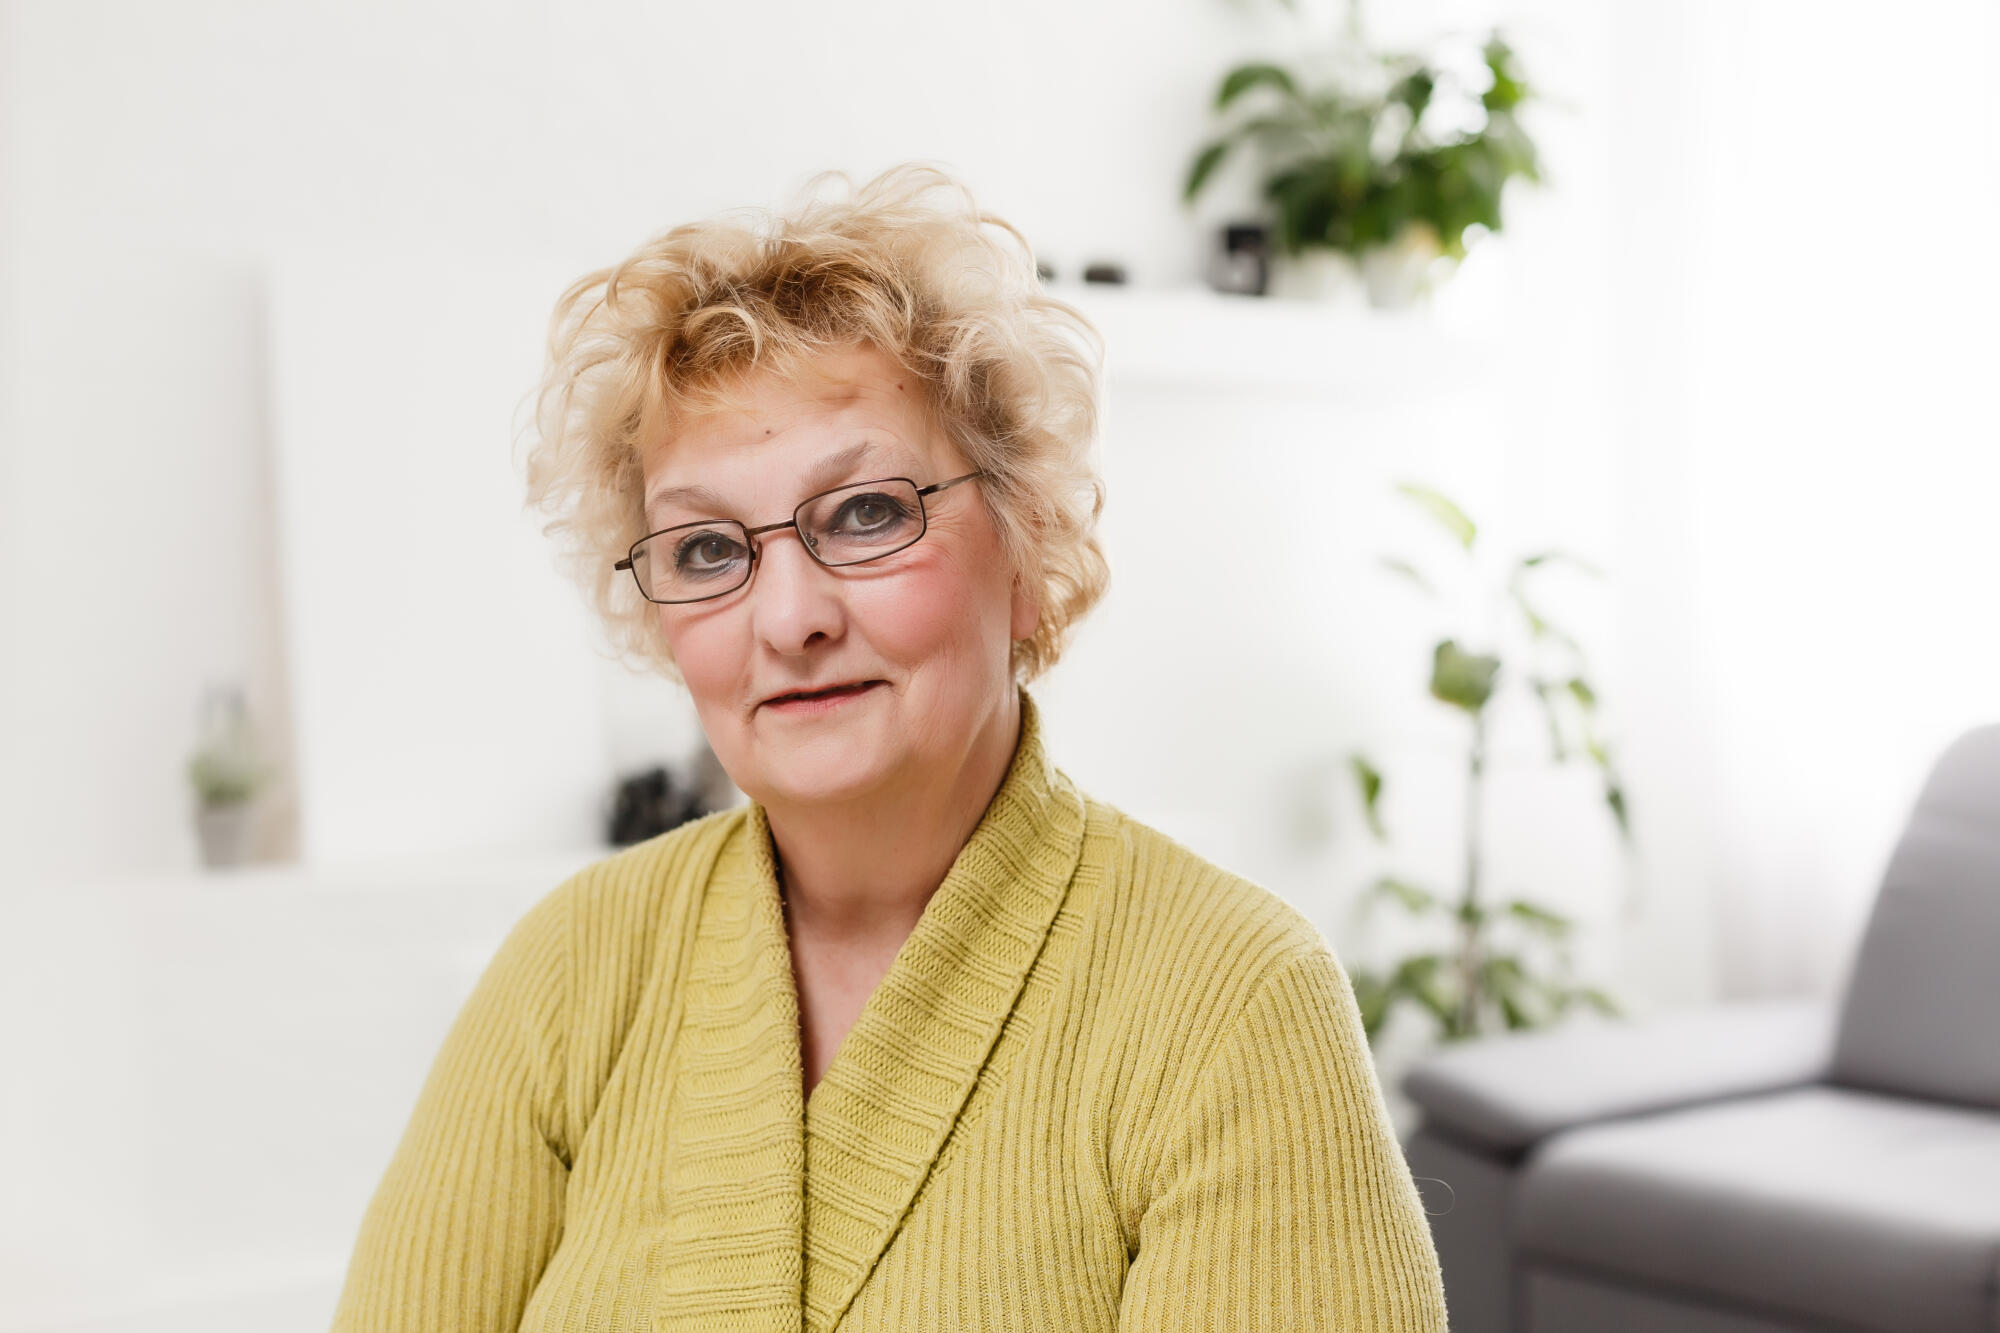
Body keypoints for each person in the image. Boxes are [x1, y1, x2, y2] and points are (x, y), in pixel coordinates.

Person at [329, 162, 1448, 1332]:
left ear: (1024, 553)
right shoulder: (566, 972)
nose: (788, 616)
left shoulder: (1230, 1002)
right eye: (708, 550)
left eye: (865, 514)